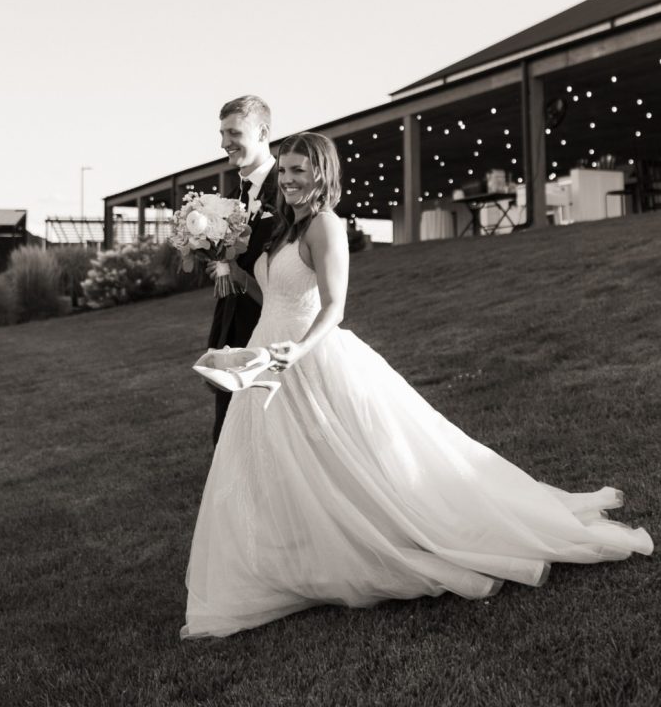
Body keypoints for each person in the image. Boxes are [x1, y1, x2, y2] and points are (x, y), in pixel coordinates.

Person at [181, 132, 653, 639]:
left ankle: (375, 541)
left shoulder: (325, 225)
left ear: (322, 174)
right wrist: (230, 264)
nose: (291, 180)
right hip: (265, 358)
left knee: (359, 462)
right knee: (278, 462)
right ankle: (295, 550)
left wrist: (297, 350)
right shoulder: (282, 231)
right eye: (287, 170)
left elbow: (334, 306)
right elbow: (273, 293)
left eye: (301, 170)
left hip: (308, 356)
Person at [206, 95, 277, 445]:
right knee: (227, 441)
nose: (224, 143)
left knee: (269, 441)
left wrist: (237, 272)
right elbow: (229, 265)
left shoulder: (289, 192)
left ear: (262, 132)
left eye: (233, 132)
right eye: (221, 133)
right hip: (231, 335)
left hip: (272, 335)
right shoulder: (230, 197)